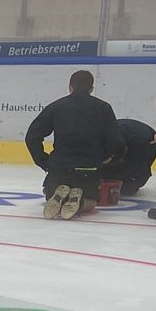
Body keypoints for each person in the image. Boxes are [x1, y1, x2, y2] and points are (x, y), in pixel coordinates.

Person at [24, 69, 119, 220]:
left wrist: (45, 162)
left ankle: (57, 196)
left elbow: (32, 136)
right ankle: (79, 201)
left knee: (50, 198)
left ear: (70, 87)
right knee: (91, 203)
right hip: (89, 166)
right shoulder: (104, 108)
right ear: (91, 89)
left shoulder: (56, 107)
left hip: (60, 166)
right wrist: (104, 158)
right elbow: (115, 141)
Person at [99, 116, 156, 199]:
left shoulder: (140, 144)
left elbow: (134, 168)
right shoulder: (100, 140)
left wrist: (111, 180)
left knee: (129, 188)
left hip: (145, 139)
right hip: (124, 135)